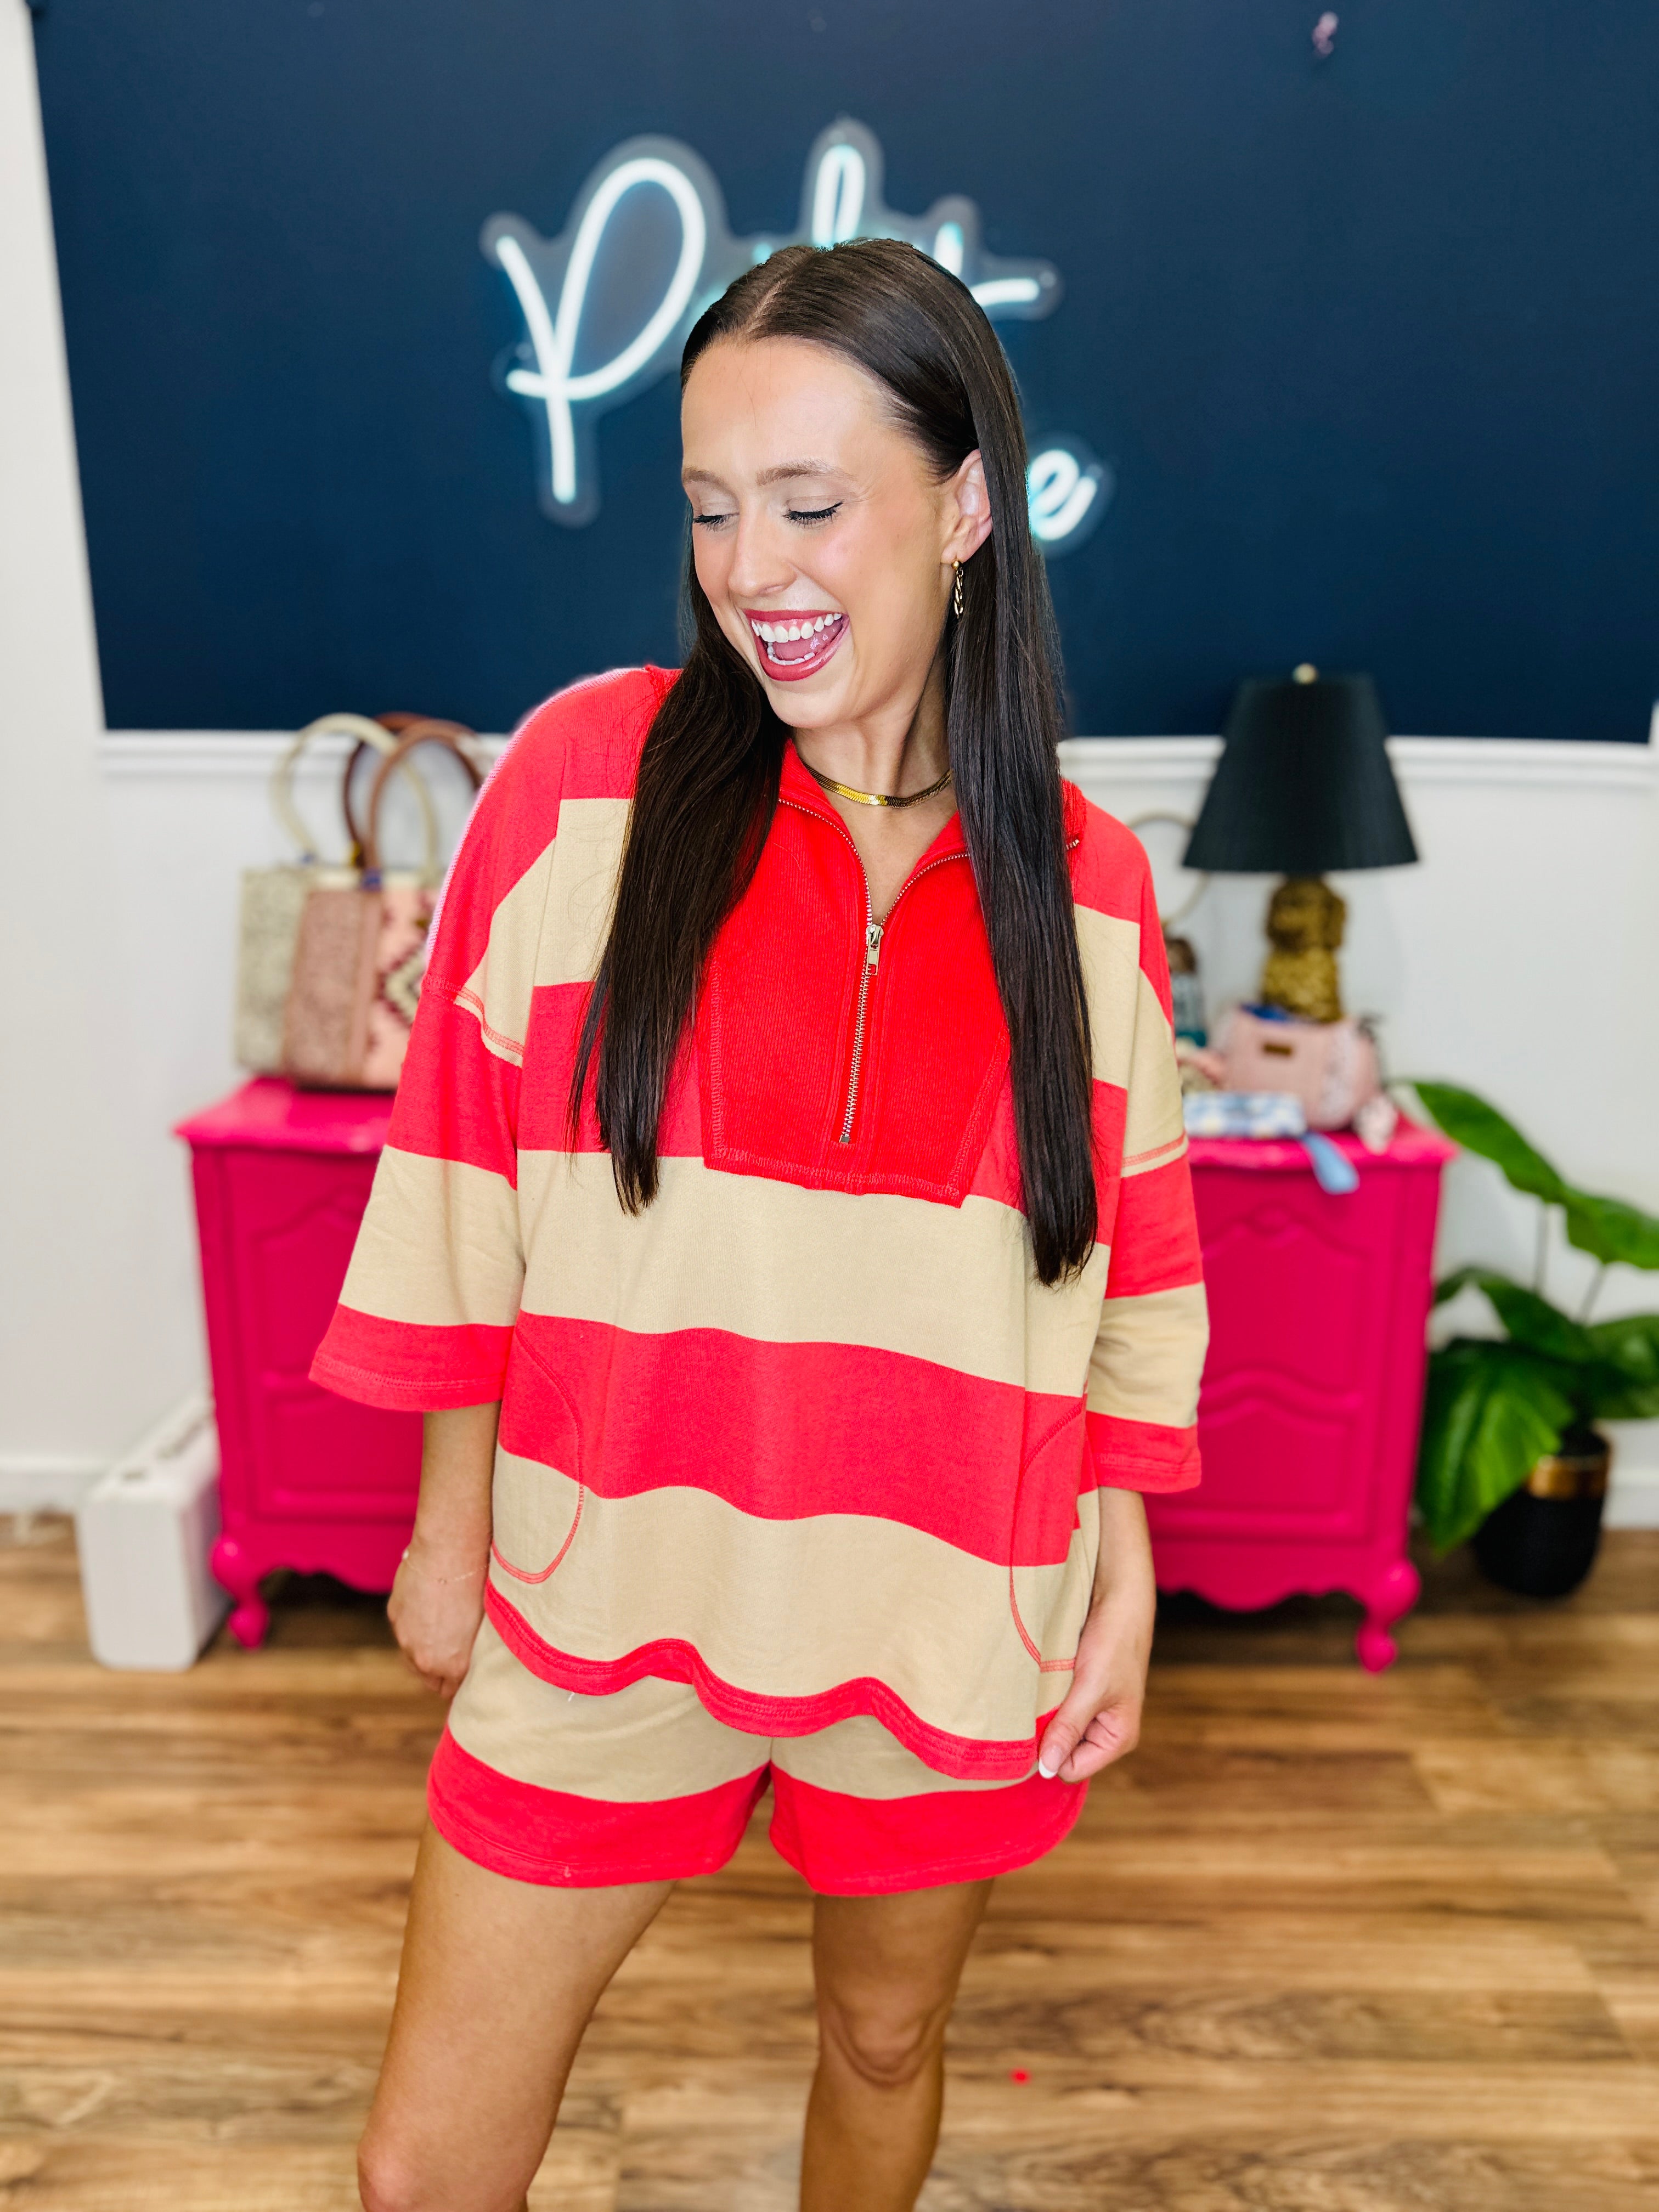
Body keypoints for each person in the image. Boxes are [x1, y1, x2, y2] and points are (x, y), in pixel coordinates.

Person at [314, 236, 1207, 2212]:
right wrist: (450, 1526)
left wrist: (1123, 1570)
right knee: (421, 2171)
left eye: (811, 504)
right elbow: (462, 1172)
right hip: (603, 1590)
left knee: (882, 2041)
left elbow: (1129, 1258)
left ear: (964, 510)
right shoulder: (583, 784)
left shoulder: (1091, 888)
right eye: (714, 509)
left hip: (948, 1610)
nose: (752, 568)